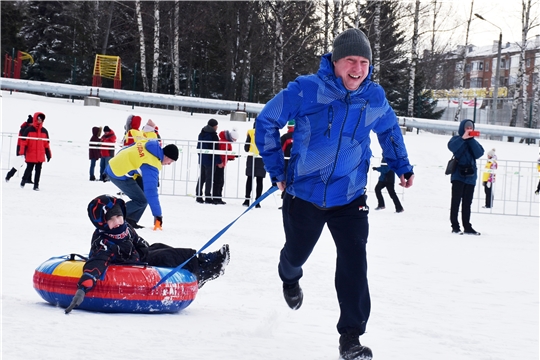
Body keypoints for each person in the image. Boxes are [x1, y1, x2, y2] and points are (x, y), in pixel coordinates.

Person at [254, 28, 414, 360]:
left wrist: (401, 164)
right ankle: (290, 276)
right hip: (305, 194)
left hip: (350, 195)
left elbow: (389, 129)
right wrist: (277, 170)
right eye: (351, 61)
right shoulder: (307, 90)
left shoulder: (374, 97)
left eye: (364, 62)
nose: (357, 69)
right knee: (296, 255)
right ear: (336, 61)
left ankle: (351, 338)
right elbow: (267, 120)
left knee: (355, 260)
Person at [65, 194, 230, 314]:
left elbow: (137, 240)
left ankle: (195, 263)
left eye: (118, 216)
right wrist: (82, 288)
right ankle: (206, 265)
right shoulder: (105, 241)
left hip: (138, 256)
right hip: (129, 266)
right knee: (170, 256)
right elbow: (97, 262)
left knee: (159, 246)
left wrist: (145, 249)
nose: (117, 222)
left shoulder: (125, 227)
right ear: (102, 222)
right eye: (111, 219)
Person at [105, 139, 179, 229]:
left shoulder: (148, 143)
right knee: (142, 200)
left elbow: (128, 148)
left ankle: (130, 220)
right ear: (167, 156)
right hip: (117, 174)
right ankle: (113, 215)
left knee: (143, 195)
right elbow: (151, 192)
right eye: (170, 161)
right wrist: (158, 216)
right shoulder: (151, 164)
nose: (169, 164)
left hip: (115, 164)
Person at [448, 119, 484, 235]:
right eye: (466, 128)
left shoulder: (474, 142)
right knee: (456, 201)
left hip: (471, 176)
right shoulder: (456, 139)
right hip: (458, 175)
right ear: (462, 128)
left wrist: (471, 139)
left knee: (467, 203)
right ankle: (455, 226)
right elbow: (452, 147)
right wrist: (463, 138)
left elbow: (479, 153)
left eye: (470, 128)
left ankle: (467, 226)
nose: (469, 130)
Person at [19, 112, 52, 191]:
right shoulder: (28, 130)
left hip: (40, 155)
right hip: (31, 154)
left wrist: (48, 154)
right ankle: (23, 181)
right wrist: (22, 153)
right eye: (38, 119)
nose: (39, 121)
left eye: (41, 119)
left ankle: (36, 185)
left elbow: (46, 144)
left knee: (38, 171)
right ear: (35, 119)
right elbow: (23, 142)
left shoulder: (44, 131)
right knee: (29, 169)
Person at [195, 119, 222, 204]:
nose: (217, 127)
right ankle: (207, 196)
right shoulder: (213, 135)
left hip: (202, 158)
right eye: (216, 125)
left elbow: (198, 145)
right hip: (210, 160)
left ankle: (198, 195)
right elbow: (215, 149)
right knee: (209, 178)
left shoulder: (202, 133)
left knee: (202, 177)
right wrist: (218, 160)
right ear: (214, 126)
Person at [243, 122, 267, 208]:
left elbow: (246, 148)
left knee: (249, 179)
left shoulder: (250, 132)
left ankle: (247, 200)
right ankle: (258, 201)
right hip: (261, 158)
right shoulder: (266, 132)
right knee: (259, 180)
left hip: (251, 158)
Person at [213, 128, 239, 205]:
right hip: (220, 164)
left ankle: (217, 197)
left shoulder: (225, 141)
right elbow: (223, 154)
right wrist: (221, 162)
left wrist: (233, 156)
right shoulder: (225, 143)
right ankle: (216, 197)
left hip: (221, 163)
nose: (235, 141)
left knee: (219, 181)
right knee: (219, 181)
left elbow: (227, 153)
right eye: (234, 139)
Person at [5, 115, 33, 182]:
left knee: (30, 163)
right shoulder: (24, 129)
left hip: (25, 147)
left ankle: (28, 179)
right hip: (21, 147)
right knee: (19, 163)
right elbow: (24, 139)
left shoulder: (26, 128)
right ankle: (9, 175)